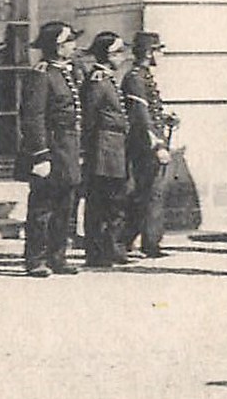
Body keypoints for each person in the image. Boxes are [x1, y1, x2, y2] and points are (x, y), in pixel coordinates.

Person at [18, 21, 86, 277]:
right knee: (42, 207)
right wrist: (40, 154)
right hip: (51, 148)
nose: (74, 46)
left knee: (65, 206)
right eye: (69, 42)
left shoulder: (65, 72)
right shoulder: (41, 74)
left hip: (68, 148)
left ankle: (58, 257)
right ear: (57, 46)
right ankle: (36, 259)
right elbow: (32, 117)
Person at [121, 32, 176, 258]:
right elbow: (141, 116)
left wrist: (165, 118)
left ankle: (140, 240)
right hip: (144, 146)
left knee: (149, 193)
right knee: (150, 193)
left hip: (149, 142)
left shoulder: (143, 76)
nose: (161, 55)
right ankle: (145, 242)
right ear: (148, 52)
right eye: (158, 50)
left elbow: (151, 112)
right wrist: (158, 146)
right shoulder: (135, 78)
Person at [81, 32, 133, 268]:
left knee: (115, 201)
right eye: (118, 52)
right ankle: (98, 251)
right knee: (101, 202)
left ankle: (111, 247)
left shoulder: (108, 78)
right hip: (103, 149)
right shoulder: (98, 80)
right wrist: (90, 150)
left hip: (115, 148)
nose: (123, 56)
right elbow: (89, 118)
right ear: (107, 54)